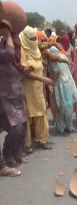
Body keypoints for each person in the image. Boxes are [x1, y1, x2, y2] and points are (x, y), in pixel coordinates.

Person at [0, 21, 34, 176]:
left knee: (21, 126)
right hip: (5, 96)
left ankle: (15, 154)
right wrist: (6, 34)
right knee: (15, 128)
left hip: (16, 93)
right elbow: (9, 53)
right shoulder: (4, 53)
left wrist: (26, 70)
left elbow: (17, 62)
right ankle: (6, 156)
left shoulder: (14, 57)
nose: (16, 44)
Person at [19, 26, 54, 153]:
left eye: (35, 38)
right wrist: (43, 79)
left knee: (41, 112)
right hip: (27, 87)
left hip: (38, 87)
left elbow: (39, 63)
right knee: (28, 115)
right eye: (32, 38)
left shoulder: (35, 48)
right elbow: (24, 71)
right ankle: (27, 144)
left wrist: (43, 69)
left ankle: (42, 140)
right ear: (25, 38)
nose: (34, 40)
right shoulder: (22, 50)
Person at [48, 46, 77, 134]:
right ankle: (69, 126)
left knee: (59, 106)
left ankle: (61, 127)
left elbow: (56, 73)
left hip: (60, 85)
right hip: (69, 83)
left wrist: (50, 82)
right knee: (69, 105)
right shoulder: (63, 57)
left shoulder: (53, 61)